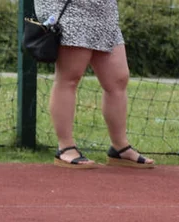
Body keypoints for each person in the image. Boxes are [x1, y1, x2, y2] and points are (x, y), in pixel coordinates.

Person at [35, 0, 154, 169]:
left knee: (118, 78)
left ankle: (120, 148)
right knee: (70, 77)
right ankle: (65, 147)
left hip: (104, 10)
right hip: (70, 7)